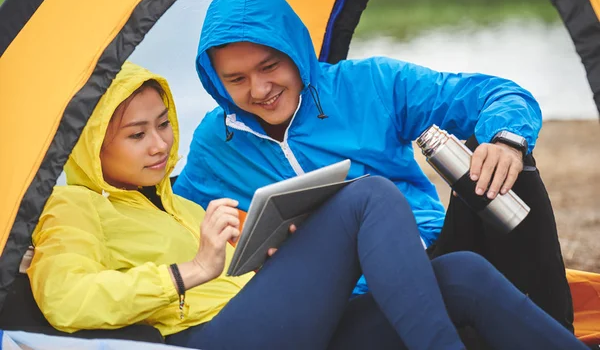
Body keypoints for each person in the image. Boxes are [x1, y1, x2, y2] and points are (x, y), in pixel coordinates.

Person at [27, 62, 586, 350]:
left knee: (460, 273)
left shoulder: (182, 204)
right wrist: (187, 272)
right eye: (136, 135)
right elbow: (65, 299)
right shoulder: (74, 205)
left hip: (283, 326)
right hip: (217, 339)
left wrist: (279, 251)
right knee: (368, 195)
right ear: (92, 142)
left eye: (165, 125)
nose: (159, 144)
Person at [173, 0, 574, 331]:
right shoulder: (215, 141)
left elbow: (496, 94)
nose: (259, 90)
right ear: (216, 81)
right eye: (236, 79)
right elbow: (169, 213)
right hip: (348, 306)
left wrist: (506, 141)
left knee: (503, 164)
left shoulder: (371, 84)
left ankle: (555, 330)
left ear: (294, 51)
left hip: (436, 255)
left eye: (269, 66)